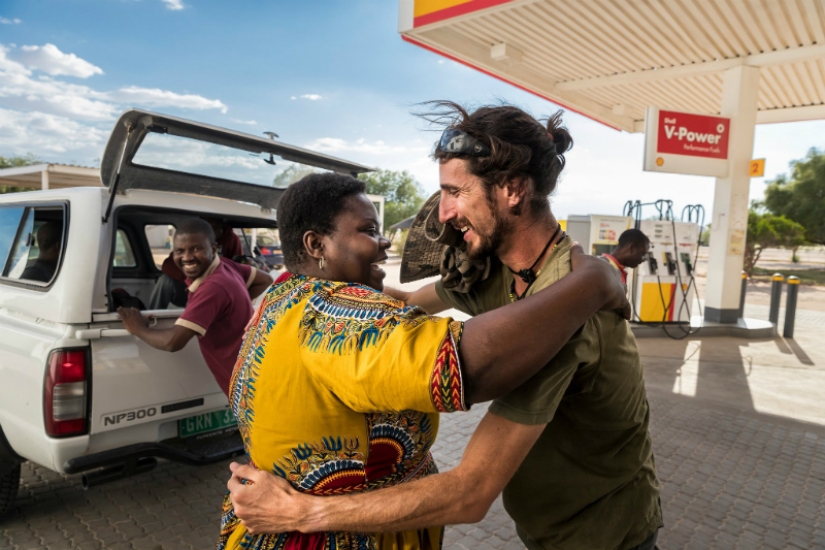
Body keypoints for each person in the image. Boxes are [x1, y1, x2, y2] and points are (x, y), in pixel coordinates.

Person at [227, 103, 662, 550]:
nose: (443, 213)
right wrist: (299, 293)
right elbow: (411, 302)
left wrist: (301, 512)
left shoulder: (563, 310)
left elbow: (471, 492)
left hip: (601, 533)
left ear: (512, 189)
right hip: (544, 522)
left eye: (455, 192)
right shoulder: (494, 272)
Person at [119, 218, 272, 396]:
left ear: (213, 249)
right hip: (256, 375)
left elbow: (172, 342)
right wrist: (233, 304)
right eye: (179, 251)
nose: (187, 257)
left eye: (196, 249)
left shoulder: (213, 288)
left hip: (252, 390)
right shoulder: (225, 266)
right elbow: (265, 279)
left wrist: (137, 328)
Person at [147, 217, 244, 309]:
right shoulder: (192, 238)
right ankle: (151, 317)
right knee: (165, 281)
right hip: (188, 288)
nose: (214, 231)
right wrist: (191, 278)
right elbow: (168, 265)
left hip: (217, 290)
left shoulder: (231, 239)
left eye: (217, 227)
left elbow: (238, 267)